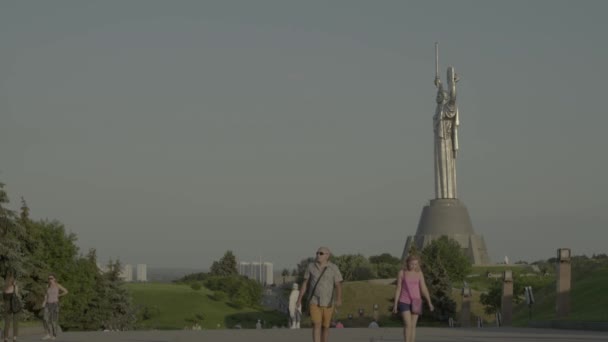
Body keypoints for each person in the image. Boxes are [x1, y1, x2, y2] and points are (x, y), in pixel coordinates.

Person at [296, 247, 343, 342]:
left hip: (328, 302)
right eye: (317, 253)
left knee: (326, 327)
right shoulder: (311, 266)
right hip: (314, 301)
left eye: (321, 253)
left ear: (327, 256)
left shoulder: (333, 268)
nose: (318, 255)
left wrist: (339, 299)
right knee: (317, 324)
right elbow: (305, 283)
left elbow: (338, 285)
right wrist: (299, 299)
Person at [392, 255, 433, 342]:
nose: (414, 266)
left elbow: (424, 288)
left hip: (416, 301)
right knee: (408, 324)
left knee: (413, 326)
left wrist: (429, 302)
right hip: (404, 301)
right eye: (412, 264)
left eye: (416, 264)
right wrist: (395, 304)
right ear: (407, 263)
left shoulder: (419, 273)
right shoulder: (402, 273)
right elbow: (398, 288)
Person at [41, 274, 68, 340]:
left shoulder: (57, 285)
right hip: (48, 304)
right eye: (49, 278)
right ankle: (48, 334)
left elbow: (66, 291)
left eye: (51, 278)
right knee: (45, 319)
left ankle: (54, 335)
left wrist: (59, 295)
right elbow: (46, 295)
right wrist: (44, 302)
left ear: (54, 279)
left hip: (54, 304)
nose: (50, 279)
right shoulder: (47, 286)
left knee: (53, 321)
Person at [3, 274, 21, 342]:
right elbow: (17, 295)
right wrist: (16, 286)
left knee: (7, 322)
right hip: (14, 305)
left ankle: (6, 338)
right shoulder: (14, 287)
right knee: (15, 321)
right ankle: (14, 337)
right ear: (13, 280)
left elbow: (4, 299)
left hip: (7, 306)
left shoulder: (5, 288)